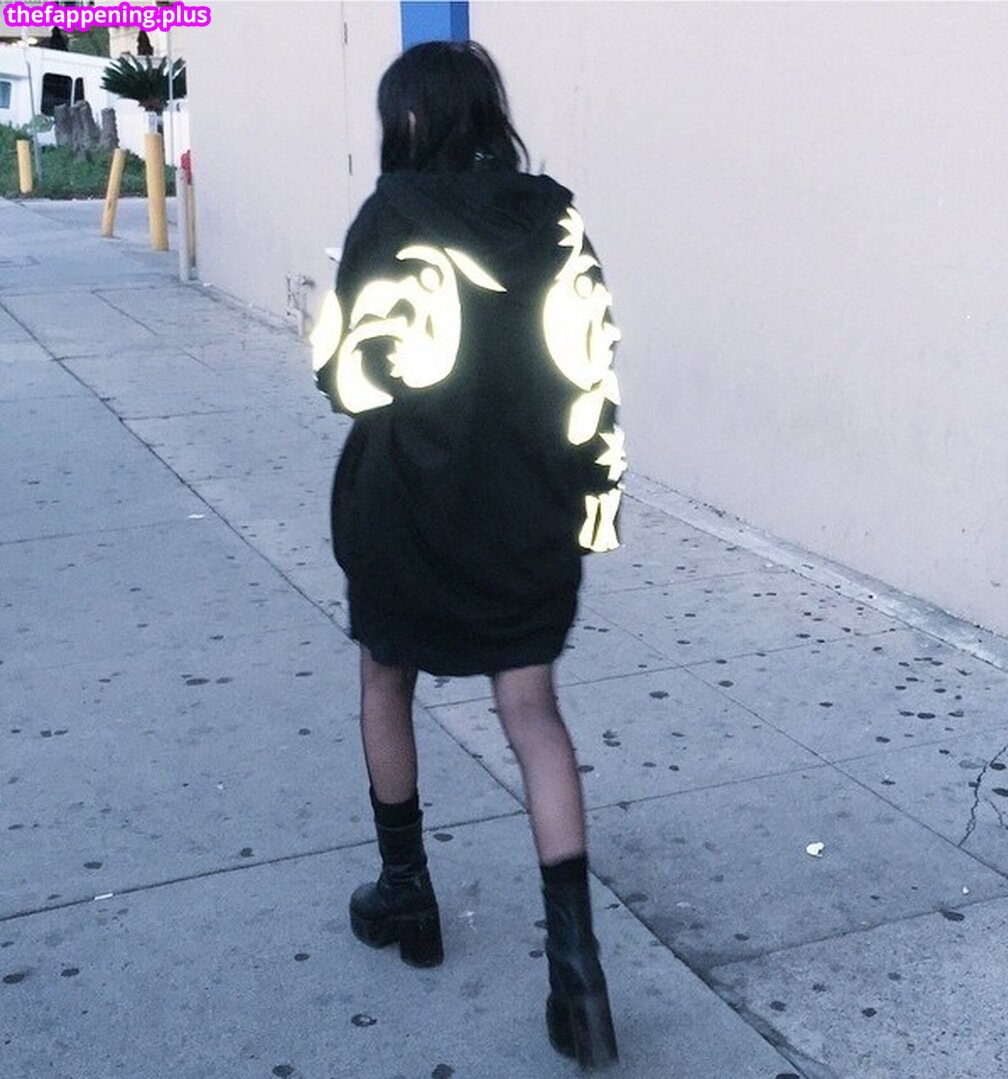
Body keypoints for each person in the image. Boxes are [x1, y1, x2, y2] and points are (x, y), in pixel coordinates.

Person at [310, 40, 625, 1071]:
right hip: (527, 517)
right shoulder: (556, 218)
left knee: (384, 681)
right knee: (534, 716)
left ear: (406, 122)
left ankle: (408, 895)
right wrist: (594, 508)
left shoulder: (389, 216)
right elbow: (594, 368)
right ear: (490, 115)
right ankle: (578, 974)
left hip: (405, 512)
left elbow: (346, 380)